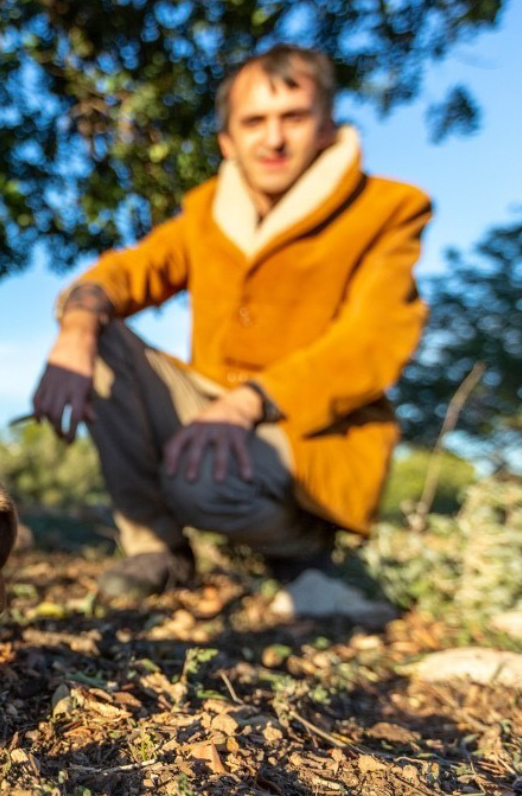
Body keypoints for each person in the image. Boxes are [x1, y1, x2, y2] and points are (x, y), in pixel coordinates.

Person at [31, 44, 431, 600]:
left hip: (309, 430)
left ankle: (302, 546)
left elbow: (375, 339)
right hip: (210, 401)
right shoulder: (205, 212)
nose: (273, 139)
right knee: (98, 333)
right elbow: (128, 270)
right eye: (254, 122)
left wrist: (248, 402)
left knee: (201, 481)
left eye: (293, 117)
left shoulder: (388, 210)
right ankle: (157, 550)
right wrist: (76, 329)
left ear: (325, 127)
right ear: (228, 141)